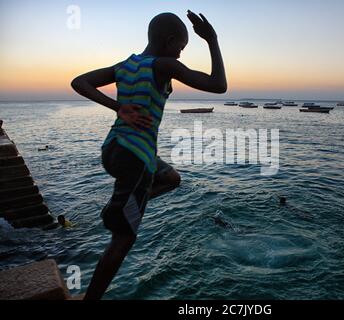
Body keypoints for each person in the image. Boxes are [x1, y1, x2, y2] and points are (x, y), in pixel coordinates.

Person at [71, 10, 227, 300]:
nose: (179, 56)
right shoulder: (164, 65)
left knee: (172, 178)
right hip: (135, 159)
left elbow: (79, 81)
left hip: (114, 149)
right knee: (124, 238)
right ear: (169, 42)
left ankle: (118, 208)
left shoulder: (125, 65)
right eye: (180, 48)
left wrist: (118, 107)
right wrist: (213, 40)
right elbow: (219, 85)